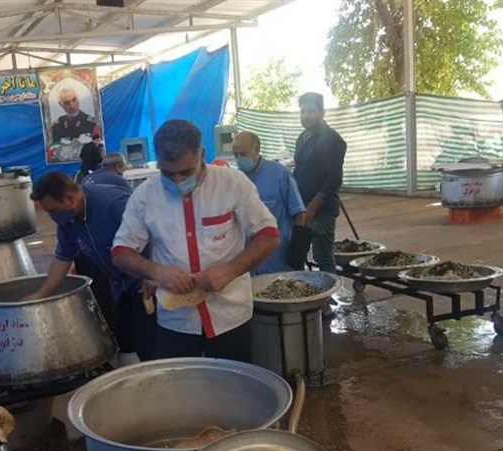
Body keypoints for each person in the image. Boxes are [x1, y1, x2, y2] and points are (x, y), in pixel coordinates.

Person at [111, 119, 280, 363]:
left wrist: (229, 271)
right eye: (168, 174)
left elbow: (268, 236)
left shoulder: (232, 183)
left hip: (229, 315)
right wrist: (157, 271)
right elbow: (120, 252)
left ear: (202, 155)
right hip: (175, 320)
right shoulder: (145, 195)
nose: (178, 181)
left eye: (186, 172)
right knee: (180, 385)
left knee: (233, 383)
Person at [27, 172, 157, 364]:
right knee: (124, 339)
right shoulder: (67, 223)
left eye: (54, 211)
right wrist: (40, 295)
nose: (53, 218)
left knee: (149, 341)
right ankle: (130, 374)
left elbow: (155, 234)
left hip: (148, 284)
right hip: (119, 285)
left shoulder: (114, 204)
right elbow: (62, 260)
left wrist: (153, 274)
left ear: (70, 198)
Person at [292, 92, 347, 315]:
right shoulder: (302, 138)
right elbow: (298, 170)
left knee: (323, 255)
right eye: (303, 111)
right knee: (297, 252)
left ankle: (326, 303)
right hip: (301, 204)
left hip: (321, 208)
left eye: (311, 111)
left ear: (322, 112)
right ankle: (306, 296)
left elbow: (334, 179)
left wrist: (313, 207)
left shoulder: (334, 140)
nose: (306, 115)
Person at [232, 131, 307, 274]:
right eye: (236, 155)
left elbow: (299, 213)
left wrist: (297, 248)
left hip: (279, 258)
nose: (239, 159)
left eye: (243, 154)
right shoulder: (235, 179)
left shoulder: (280, 174)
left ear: (256, 149)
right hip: (249, 261)